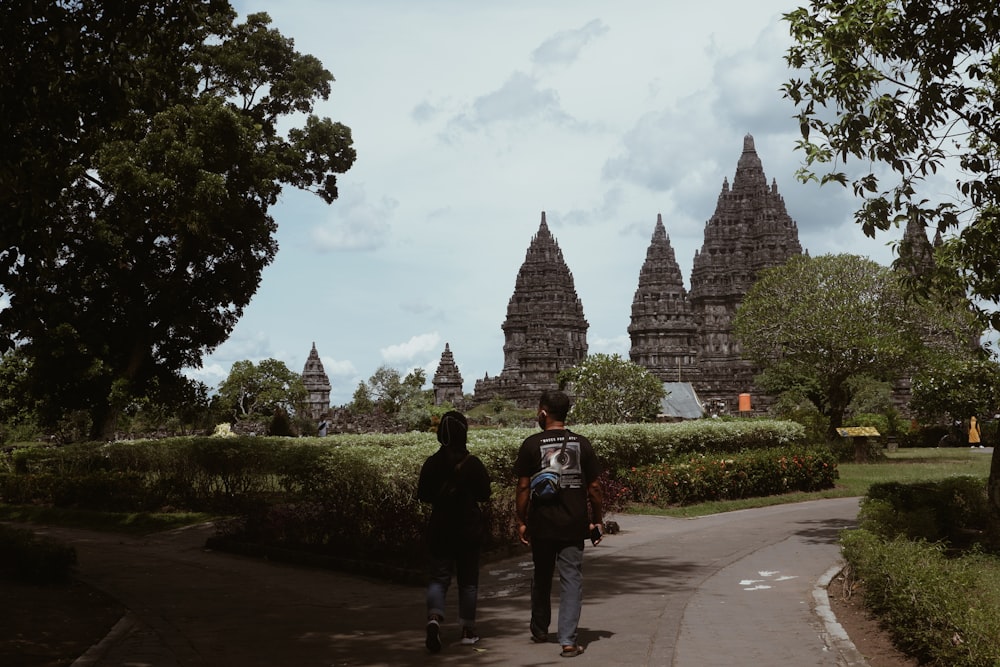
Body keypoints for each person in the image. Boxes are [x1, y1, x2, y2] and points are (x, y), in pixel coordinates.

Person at [514, 389, 604, 659]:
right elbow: (595, 487)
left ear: (543, 412)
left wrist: (521, 520)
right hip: (573, 523)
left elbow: (522, 487)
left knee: (541, 576)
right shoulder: (582, 443)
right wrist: (596, 520)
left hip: (541, 523)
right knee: (571, 580)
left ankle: (540, 629)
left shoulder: (531, 444)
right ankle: (567, 640)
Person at [416, 410, 492, 653]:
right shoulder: (472, 463)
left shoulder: (432, 463)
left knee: (439, 578)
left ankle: (434, 619)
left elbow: (424, 496)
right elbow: (485, 494)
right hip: (468, 527)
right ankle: (468, 630)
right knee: (468, 581)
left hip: (440, 526)